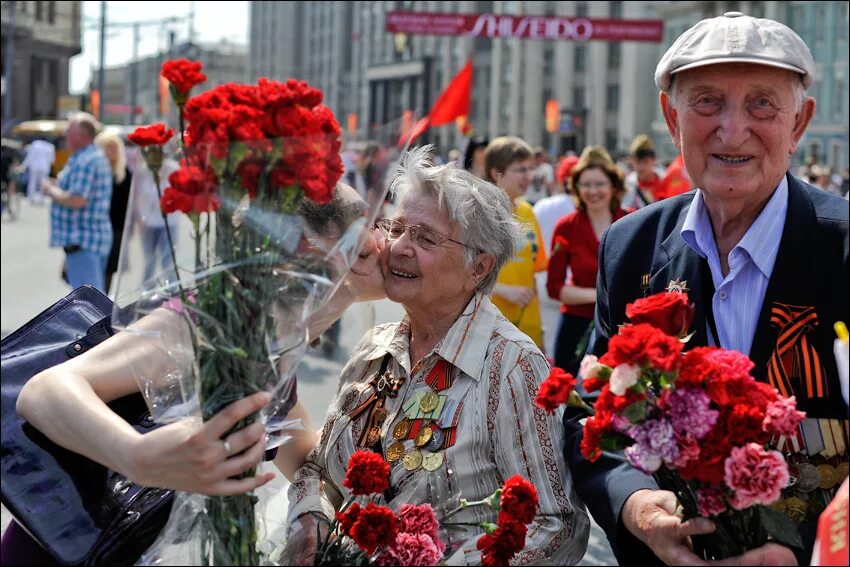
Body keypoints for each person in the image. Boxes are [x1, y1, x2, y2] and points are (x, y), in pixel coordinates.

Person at [565, 12, 849, 566]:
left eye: (762, 103)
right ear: (673, 119)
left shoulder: (844, 248)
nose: (733, 128)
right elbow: (594, 411)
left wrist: (811, 549)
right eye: (707, 102)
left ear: (799, 122)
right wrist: (638, 506)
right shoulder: (632, 246)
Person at [6, 182, 385, 564]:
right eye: (367, 222)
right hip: (66, 548)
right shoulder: (213, 322)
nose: (384, 235)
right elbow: (45, 390)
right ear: (311, 244)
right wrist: (135, 454)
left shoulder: (274, 348)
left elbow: (310, 460)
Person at [285, 146, 590, 565]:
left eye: (425, 237)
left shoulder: (512, 366)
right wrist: (309, 520)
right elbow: (318, 469)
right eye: (395, 228)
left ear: (479, 268)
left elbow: (557, 525)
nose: (399, 248)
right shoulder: (374, 349)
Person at [546, 146, 628, 375]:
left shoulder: (631, 221)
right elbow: (554, 288)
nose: (593, 191)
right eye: (586, 185)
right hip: (575, 326)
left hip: (620, 325)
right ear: (576, 188)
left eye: (600, 184)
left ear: (613, 186)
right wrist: (599, 296)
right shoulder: (566, 226)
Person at [484, 136, 548, 351]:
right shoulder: (480, 213)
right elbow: (460, 273)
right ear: (496, 173)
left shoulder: (528, 211)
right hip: (489, 329)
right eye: (520, 170)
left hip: (528, 330)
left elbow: (536, 268)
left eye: (530, 169)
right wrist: (503, 290)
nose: (528, 176)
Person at [43, 113, 114, 293]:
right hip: (87, 240)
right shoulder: (90, 157)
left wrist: (52, 191)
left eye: (69, 131)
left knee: (90, 304)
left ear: (81, 135)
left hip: (83, 241)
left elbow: (77, 200)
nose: (65, 134)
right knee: (92, 298)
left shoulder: (85, 160)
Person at [533, 155, 579, 358]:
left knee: (550, 342)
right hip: (577, 285)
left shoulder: (543, 205)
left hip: (545, 281)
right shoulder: (587, 206)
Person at [94, 130, 133, 295]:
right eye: (107, 147)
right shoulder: (95, 171)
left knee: (108, 271)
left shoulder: (125, 173)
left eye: (114, 147)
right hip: (95, 227)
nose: (111, 151)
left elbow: (130, 204)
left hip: (117, 228)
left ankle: (101, 302)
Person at [622, 135, 665, 210]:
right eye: (638, 162)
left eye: (646, 162)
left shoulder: (666, 180)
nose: (641, 167)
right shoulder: (627, 185)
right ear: (632, 161)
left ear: (654, 160)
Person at [21, 138, 55, 204]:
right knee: (43, 183)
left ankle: (31, 198)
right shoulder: (50, 146)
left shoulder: (35, 144)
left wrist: (24, 165)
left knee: (32, 182)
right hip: (45, 167)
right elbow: (52, 160)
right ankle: (41, 199)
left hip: (34, 167)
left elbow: (30, 156)